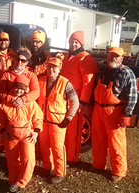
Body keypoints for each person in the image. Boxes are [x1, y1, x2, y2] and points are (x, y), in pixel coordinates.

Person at [91, 47, 137, 183]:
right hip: (98, 108)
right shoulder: (102, 69)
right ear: (107, 55)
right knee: (98, 140)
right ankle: (99, 164)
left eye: (117, 56)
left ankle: (119, 171)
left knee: (116, 143)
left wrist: (126, 114)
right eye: (111, 55)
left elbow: (132, 96)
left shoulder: (127, 73)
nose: (113, 58)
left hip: (114, 112)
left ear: (122, 58)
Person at [0, 74, 43, 192]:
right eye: (17, 87)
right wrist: (3, 131)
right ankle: (13, 181)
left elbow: (38, 118)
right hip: (11, 136)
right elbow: (0, 119)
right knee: (11, 160)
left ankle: (21, 182)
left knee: (29, 159)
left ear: (25, 89)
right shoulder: (5, 102)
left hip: (28, 136)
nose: (18, 90)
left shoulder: (31, 103)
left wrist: (36, 132)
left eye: (21, 88)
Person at [37, 56, 79, 185]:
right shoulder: (40, 81)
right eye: (49, 67)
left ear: (60, 68)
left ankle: (60, 173)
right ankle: (47, 168)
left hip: (58, 123)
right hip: (43, 121)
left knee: (57, 148)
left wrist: (68, 118)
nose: (51, 70)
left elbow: (75, 102)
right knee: (44, 147)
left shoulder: (65, 83)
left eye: (54, 67)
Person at [60, 30, 97, 164]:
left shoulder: (85, 59)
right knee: (62, 130)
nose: (73, 44)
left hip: (76, 101)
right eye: (71, 42)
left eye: (76, 42)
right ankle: (61, 155)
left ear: (81, 43)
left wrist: (83, 102)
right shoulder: (66, 57)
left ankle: (71, 158)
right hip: (62, 100)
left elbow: (88, 83)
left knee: (73, 132)